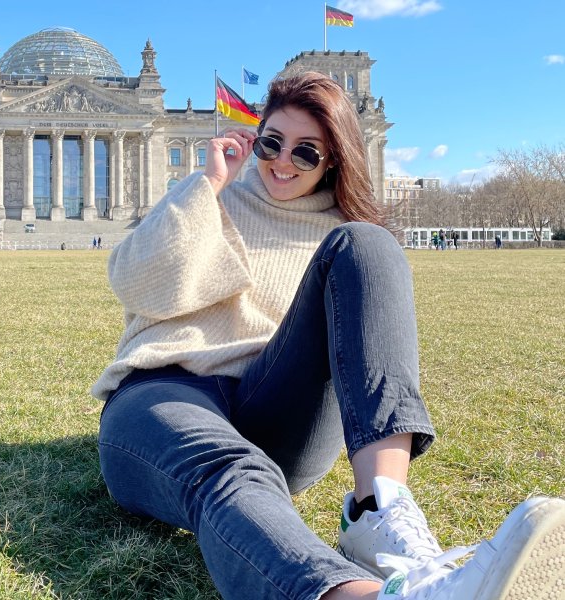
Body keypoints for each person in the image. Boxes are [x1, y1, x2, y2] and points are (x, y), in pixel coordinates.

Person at [93, 72, 565, 600]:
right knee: (230, 470)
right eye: (271, 142)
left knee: (369, 243)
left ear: (334, 159)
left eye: (306, 153)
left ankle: (378, 509)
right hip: (165, 392)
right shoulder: (210, 198)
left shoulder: (339, 231)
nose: (281, 161)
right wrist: (205, 186)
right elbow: (135, 284)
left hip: (274, 411)